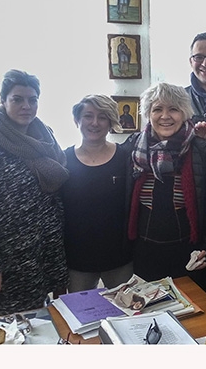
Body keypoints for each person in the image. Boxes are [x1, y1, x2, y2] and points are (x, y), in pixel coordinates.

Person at [0, 69, 70, 318]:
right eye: (17, 99)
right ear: (3, 100)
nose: (26, 106)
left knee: (35, 324)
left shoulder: (43, 136)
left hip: (38, 254)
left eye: (32, 99)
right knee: (1, 330)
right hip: (4, 260)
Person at [126, 82, 206, 292]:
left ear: (185, 113)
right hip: (143, 253)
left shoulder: (203, 150)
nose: (165, 116)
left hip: (189, 254)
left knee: (191, 308)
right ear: (148, 113)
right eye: (157, 109)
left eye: (173, 109)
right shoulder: (132, 147)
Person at [61, 95, 134, 293]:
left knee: (124, 308)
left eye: (102, 117)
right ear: (77, 120)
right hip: (77, 259)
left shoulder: (126, 157)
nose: (94, 123)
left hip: (119, 257)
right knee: (81, 310)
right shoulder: (63, 159)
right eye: (88, 116)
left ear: (111, 122)